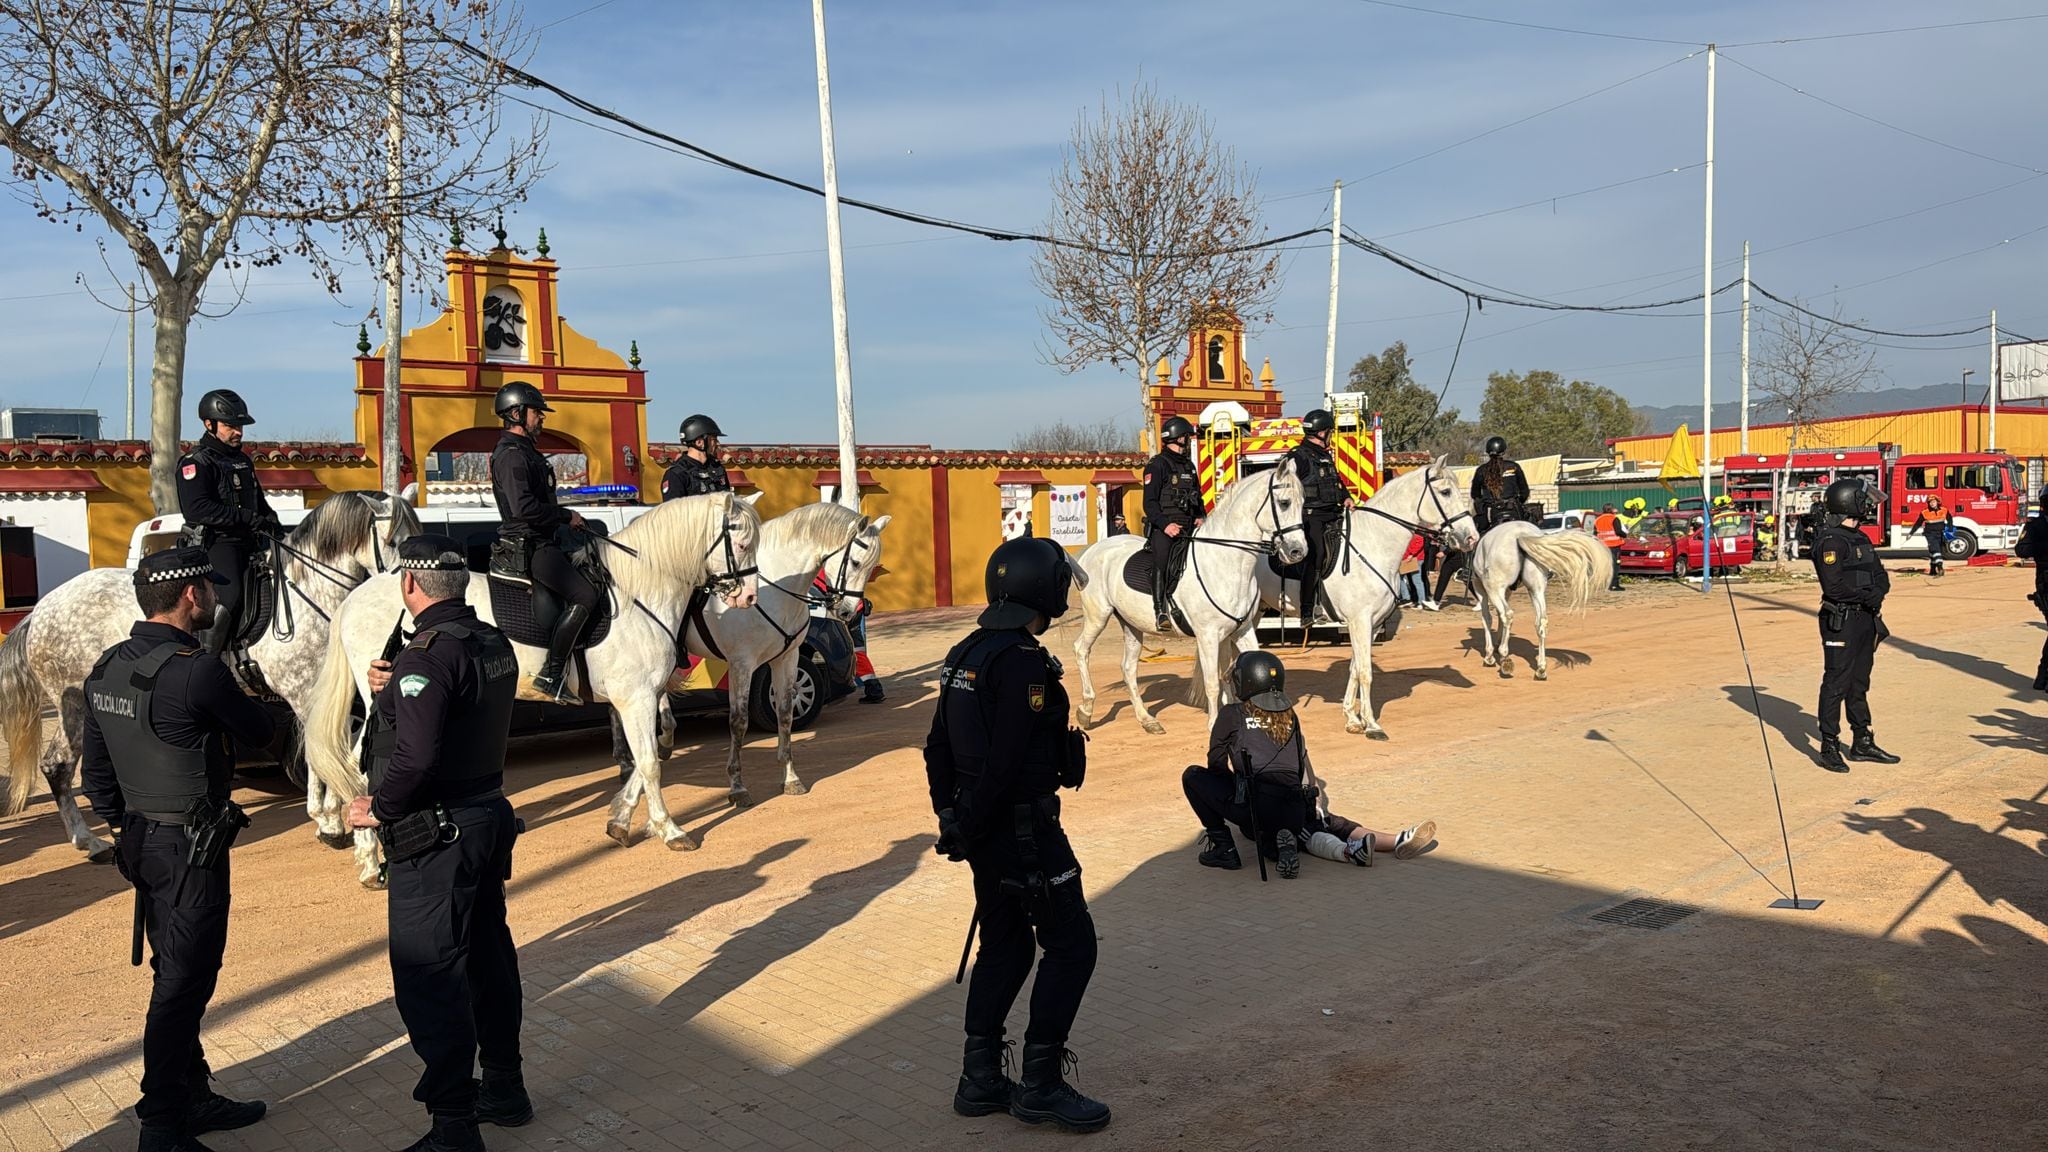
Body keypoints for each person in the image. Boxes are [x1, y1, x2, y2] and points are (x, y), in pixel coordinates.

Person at [80, 547, 276, 1152]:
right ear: (191, 594)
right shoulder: (199, 670)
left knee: (174, 969)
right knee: (185, 983)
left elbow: (98, 775)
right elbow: (264, 732)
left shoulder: (107, 666)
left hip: (142, 840)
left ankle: (192, 1094)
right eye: (209, 588)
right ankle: (163, 1123)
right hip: (190, 847)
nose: (217, 596)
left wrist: (123, 829)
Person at [347, 535, 528, 1152]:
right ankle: (504, 1086)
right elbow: (461, 710)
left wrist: (379, 807)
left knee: (429, 974)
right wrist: (392, 688)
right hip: (485, 816)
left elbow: (416, 756)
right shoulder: (490, 641)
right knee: (488, 958)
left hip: (436, 833)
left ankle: (453, 1125)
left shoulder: (426, 655)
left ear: (409, 586)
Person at [924, 537, 1108, 1133]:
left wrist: (951, 819)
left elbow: (937, 749)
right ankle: (1041, 1084)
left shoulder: (964, 651)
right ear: (1042, 588)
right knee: (1073, 944)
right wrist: (972, 821)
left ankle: (979, 1078)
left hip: (983, 833)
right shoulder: (1024, 662)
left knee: (1006, 945)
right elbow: (1005, 761)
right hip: (1024, 831)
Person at [490, 381, 595, 701]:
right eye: (537, 412)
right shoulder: (510, 455)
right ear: (517, 412)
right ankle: (552, 673)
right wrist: (565, 516)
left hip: (544, 539)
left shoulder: (525, 452)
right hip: (530, 545)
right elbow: (524, 509)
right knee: (586, 595)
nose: (542, 418)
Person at [176, 389, 278, 665]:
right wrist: (244, 518)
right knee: (230, 596)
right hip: (218, 544)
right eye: (231, 426)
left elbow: (258, 502)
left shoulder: (242, 460)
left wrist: (272, 523)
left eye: (240, 427)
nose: (238, 433)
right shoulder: (195, 463)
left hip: (249, 542)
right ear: (209, 425)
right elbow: (198, 509)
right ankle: (205, 663)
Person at [1811, 479, 1900, 773]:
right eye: (1864, 499)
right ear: (1849, 502)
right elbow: (1834, 587)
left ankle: (1862, 740)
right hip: (1842, 619)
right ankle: (1829, 745)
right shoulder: (1830, 540)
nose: (1869, 504)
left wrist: (1878, 592)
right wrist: (1866, 595)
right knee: (1836, 681)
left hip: (1866, 618)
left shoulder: (1860, 537)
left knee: (1859, 682)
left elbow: (1879, 574)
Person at [1285, 409, 1349, 640]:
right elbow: (1286, 485)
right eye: (1330, 432)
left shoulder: (1325, 454)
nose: (1331, 436)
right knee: (1316, 555)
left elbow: (1335, 480)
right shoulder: (1298, 456)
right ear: (1322, 432)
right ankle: (1307, 609)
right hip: (1312, 516)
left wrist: (1347, 497)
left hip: (1334, 513)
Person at [1142, 415, 1203, 631]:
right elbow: (1149, 504)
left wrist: (1200, 515)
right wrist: (1166, 525)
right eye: (1187, 437)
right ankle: (1160, 611)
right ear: (1178, 438)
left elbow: (1198, 496)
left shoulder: (1189, 465)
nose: (1189, 441)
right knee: (1162, 560)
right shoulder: (1157, 465)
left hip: (1189, 527)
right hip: (1165, 528)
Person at [2015, 486, 2048, 690]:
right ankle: (2044, 674)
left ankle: (2043, 675)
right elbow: (2021, 550)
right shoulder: (2035, 526)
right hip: (2046, 580)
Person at [660, 414, 731, 500]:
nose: (717, 443)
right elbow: (672, 511)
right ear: (699, 442)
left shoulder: (717, 468)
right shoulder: (676, 475)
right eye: (714, 439)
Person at [1470, 436, 1529, 532]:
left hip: (1490, 513)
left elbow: (1475, 494)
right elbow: (1525, 492)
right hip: (1513, 509)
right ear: (1504, 451)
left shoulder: (1481, 470)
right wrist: (1518, 501)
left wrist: (1484, 504)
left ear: (1488, 452)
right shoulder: (1514, 467)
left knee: (1478, 535)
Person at [1910, 495, 1951, 577]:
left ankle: (1932, 569)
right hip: (1930, 534)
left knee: (1934, 552)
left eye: (1933, 502)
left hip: (1940, 533)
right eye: (1930, 502)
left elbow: (1950, 519)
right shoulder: (1924, 512)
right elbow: (1918, 523)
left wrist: (1950, 530)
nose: (1932, 504)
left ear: (1937, 502)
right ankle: (1940, 567)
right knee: (1936, 550)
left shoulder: (1944, 510)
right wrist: (1911, 533)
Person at [1592, 504, 1625, 592]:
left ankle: (1603, 584)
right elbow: (1618, 531)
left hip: (1602, 546)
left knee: (1605, 565)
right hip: (1614, 546)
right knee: (1615, 565)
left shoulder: (1598, 519)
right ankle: (1614, 585)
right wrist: (1625, 535)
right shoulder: (1614, 518)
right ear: (1611, 510)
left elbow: (1595, 533)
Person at [1397, 532, 1429, 606]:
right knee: (1400, 577)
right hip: (1409, 558)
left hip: (1415, 559)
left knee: (1416, 580)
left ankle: (1421, 601)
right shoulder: (1411, 532)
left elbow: (1419, 543)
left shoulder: (1417, 532)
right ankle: (1407, 598)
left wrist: (1411, 554)